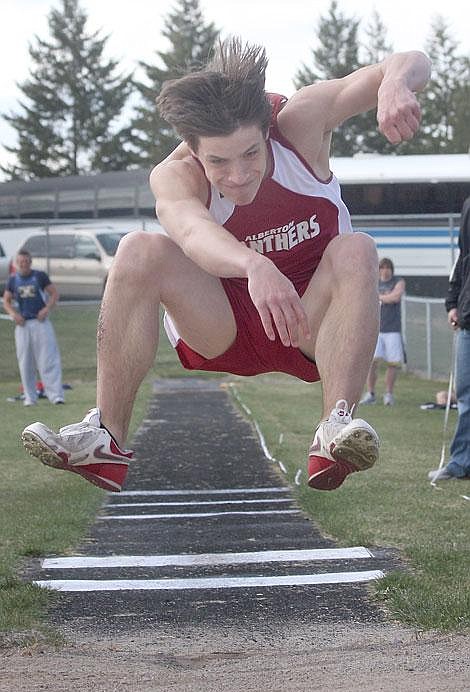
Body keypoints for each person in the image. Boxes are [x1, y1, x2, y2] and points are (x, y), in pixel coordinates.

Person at [21, 37, 431, 493]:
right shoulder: (175, 175)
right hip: (222, 326)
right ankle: (105, 436)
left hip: (310, 325)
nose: (237, 175)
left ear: (266, 130)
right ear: (193, 150)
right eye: (218, 161)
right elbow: (192, 232)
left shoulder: (301, 121)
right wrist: (254, 266)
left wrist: (394, 83)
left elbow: (407, 61)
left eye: (251, 154)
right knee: (138, 248)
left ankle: (334, 428)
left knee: (357, 249)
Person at [429, 195, 470, 481]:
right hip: (467, 316)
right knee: (466, 394)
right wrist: (452, 302)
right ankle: (461, 462)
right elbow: (463, 259)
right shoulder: (468, 205)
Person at [3, 249, 64, 406]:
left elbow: (54, 294)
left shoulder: (39, 276)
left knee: (48, 359)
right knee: (25, 362)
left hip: (40, 323)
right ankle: (30, 397)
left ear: (30, 262)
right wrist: (14, 314)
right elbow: (7, 301)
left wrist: (46, 309)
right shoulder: (13, 280)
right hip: (23, 325)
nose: (24, 265)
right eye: (20, 262)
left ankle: (56, 396)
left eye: (26, 261)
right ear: (17, 263)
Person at [360, 257, 405, 406]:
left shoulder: (398, 282)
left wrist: (378, 297)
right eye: (382, 268)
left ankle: (389, 394)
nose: (385, 271)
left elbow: (395, 297)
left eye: (388, 268)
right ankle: (371, 393)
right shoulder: (373, 282)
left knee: (393, 363)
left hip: (392, 329)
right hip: (375, 329)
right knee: (372, 362)